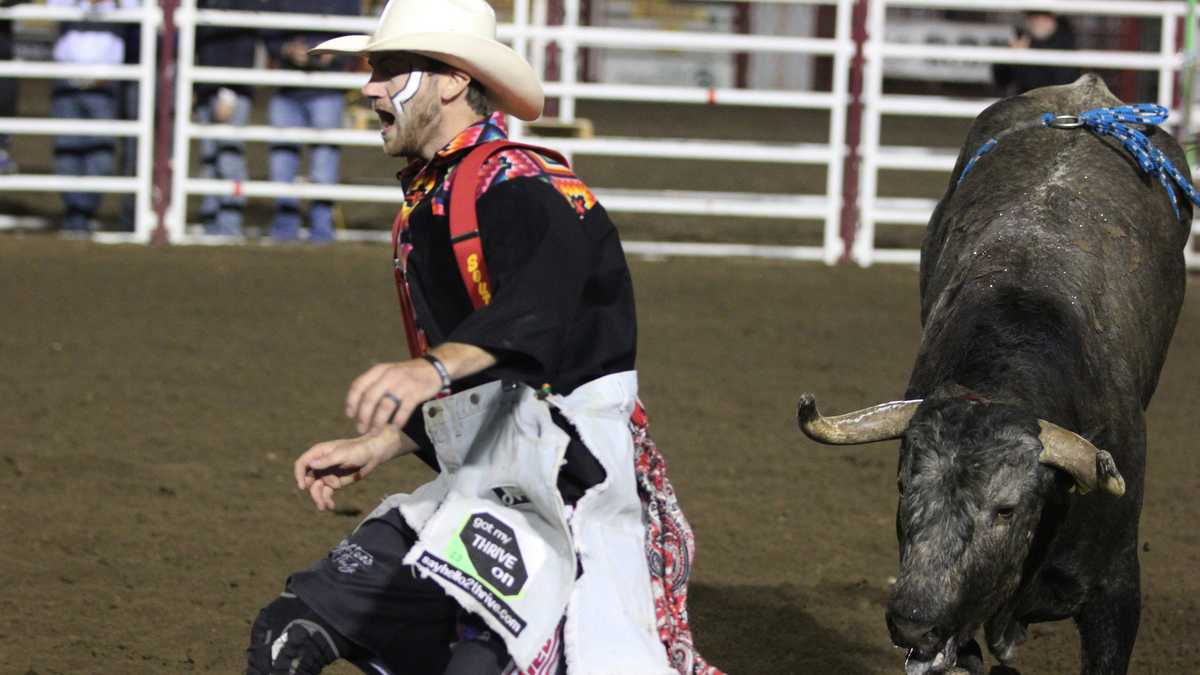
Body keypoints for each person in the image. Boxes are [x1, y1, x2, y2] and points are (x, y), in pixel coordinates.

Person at [244, 1, 720, 674]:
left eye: (388, 68)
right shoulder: (441, 193)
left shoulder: (518, 183)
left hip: (565, 482)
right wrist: (387, 439)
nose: (369, 86)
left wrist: (432, 369)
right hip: (499, 470)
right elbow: (497, 373)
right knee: (290, 628)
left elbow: (540, 314)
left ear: (451, 81)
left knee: (478, 661)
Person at [263, 0, 360, 243]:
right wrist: (286, 48)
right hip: (288, 86)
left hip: (326, 86)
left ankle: (320, 227)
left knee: (323, 163)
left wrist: (333, 53)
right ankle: (287, 226)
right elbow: (267, 28)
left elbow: (354, 30)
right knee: (282, 161)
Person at [48, 0, 139, 232]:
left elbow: (134, 10)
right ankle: (76, 216)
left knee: (101, 155)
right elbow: (54, 6)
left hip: (105, 83)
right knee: (67, 151)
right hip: (67, 78)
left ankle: (83, 213)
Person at [194, 0, 261, 236]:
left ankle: (228, 226)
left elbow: (242, 42)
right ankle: (212, 224)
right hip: (206, 86)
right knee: (210, 159)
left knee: (229, 160)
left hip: (229, 87)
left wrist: (228, 92)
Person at [993, 10, 1080, 96]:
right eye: (1031, 16)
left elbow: (1052, 87)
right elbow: (1001, 80)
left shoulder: (1065, 43)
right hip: (1025, 104)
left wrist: (1021, 59)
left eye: (1043, 15)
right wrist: (1010, 57)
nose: (1036, 21)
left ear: (1053, 18)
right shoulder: (1022, 39)